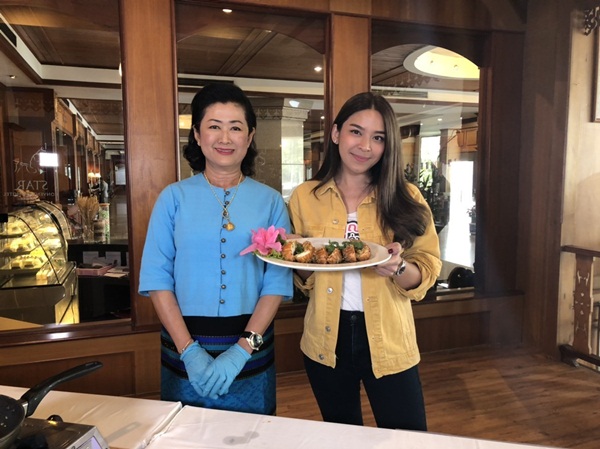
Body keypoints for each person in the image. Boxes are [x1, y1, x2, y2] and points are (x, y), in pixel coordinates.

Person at [288, 92, 442, 430]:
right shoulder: (305, 196)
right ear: (336, 133)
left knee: (407, 438)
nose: (365, 146)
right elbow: (304, 279)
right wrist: (298, 254)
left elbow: (427, 269)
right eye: (356, 132)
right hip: (325, 339)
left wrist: (398, 267)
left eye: (378, 138)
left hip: (389, 338)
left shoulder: (407, 196)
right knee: (342, 436)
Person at [138, 82, 293, 415]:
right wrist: (189, 351)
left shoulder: (270, 202)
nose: (225, 138)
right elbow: (157, 277)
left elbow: (276, 282)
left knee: (253, 433)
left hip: (250, 347)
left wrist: (242, 350)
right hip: (184, 344)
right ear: (197, 134)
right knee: (185, 432)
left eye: (235, 127)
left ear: (249, 137)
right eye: (214, 126)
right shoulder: (172, 198)